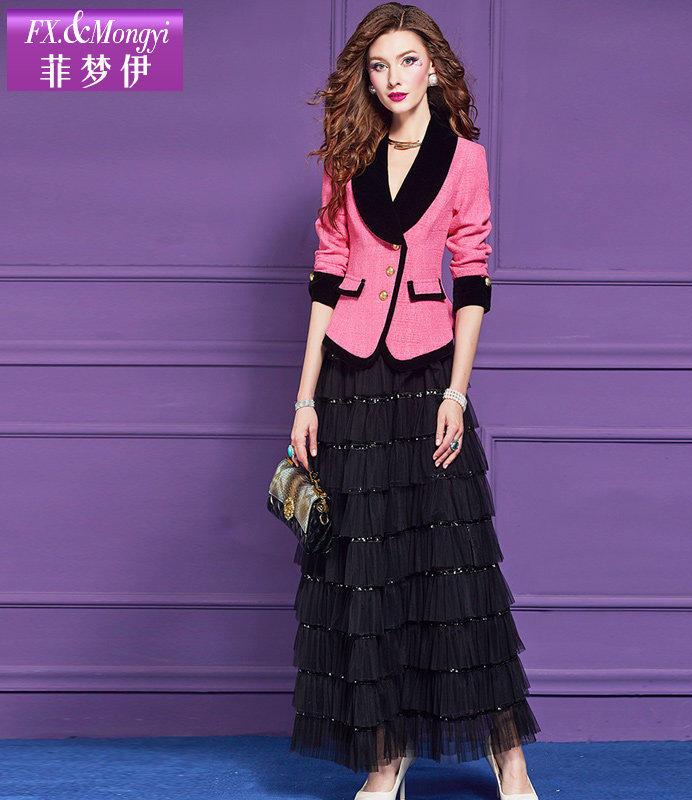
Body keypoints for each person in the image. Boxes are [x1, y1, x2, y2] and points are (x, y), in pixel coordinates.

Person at [288, 4, 542, 798]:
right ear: (366, 78)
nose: (392, 77)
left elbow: (473, 276)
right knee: (366, 568)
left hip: (428, 370)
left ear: (432, 67)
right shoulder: (348, 154)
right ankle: (386, 759)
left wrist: (458, 392)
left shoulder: (465, 159)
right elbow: (327, 275)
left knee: (454, 567)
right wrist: (304, 398)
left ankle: (509, 758)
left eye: (405, 61)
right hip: (350, 376)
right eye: (378, 66)